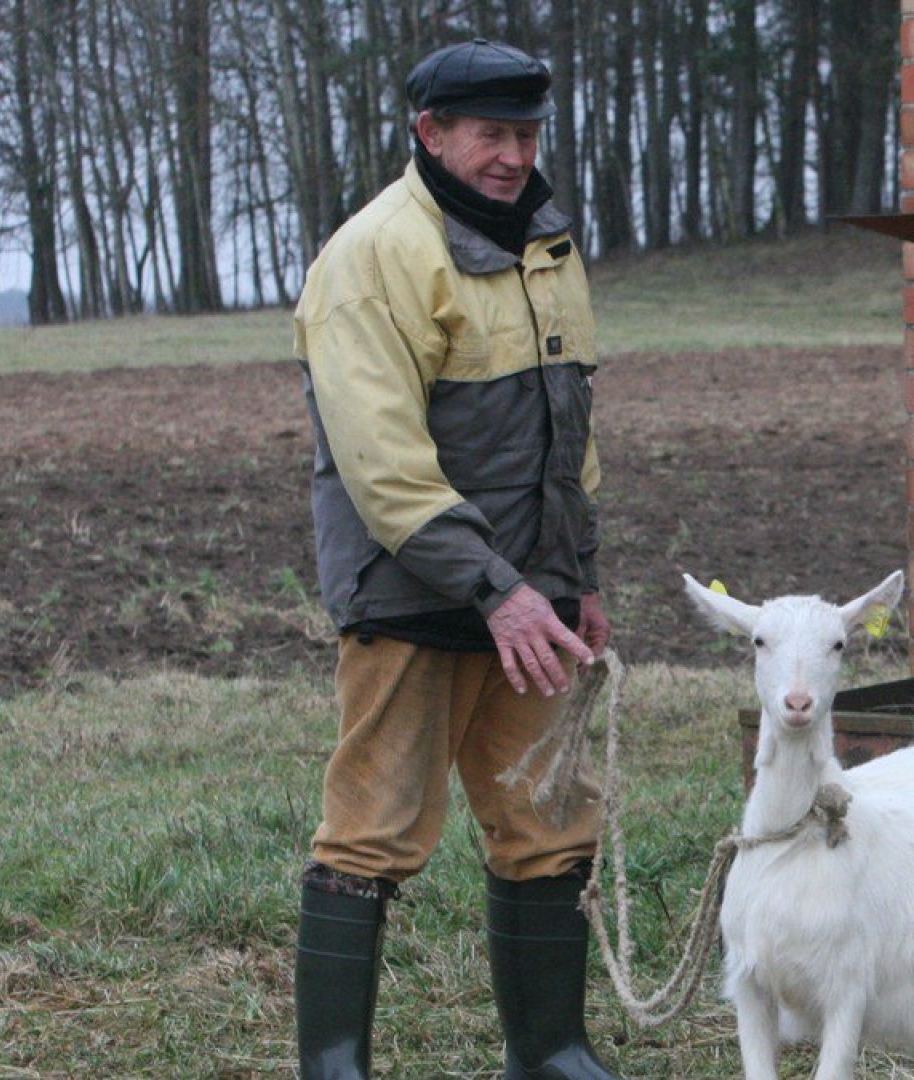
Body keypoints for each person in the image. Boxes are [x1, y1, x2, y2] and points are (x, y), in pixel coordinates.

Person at [292, 38, 624, 1080]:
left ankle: (551, 1053)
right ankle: (334, 1065)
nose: (514, 155)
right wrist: (496, 590)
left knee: (550, 822)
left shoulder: (550, 243)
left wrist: (576, 577)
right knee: (372, 832)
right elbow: (383, 465)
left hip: (532, 599)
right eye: (492, 134)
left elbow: (572, 427)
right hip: (415, 596)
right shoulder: (372, 257)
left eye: (527, 134)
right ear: (428, 133)